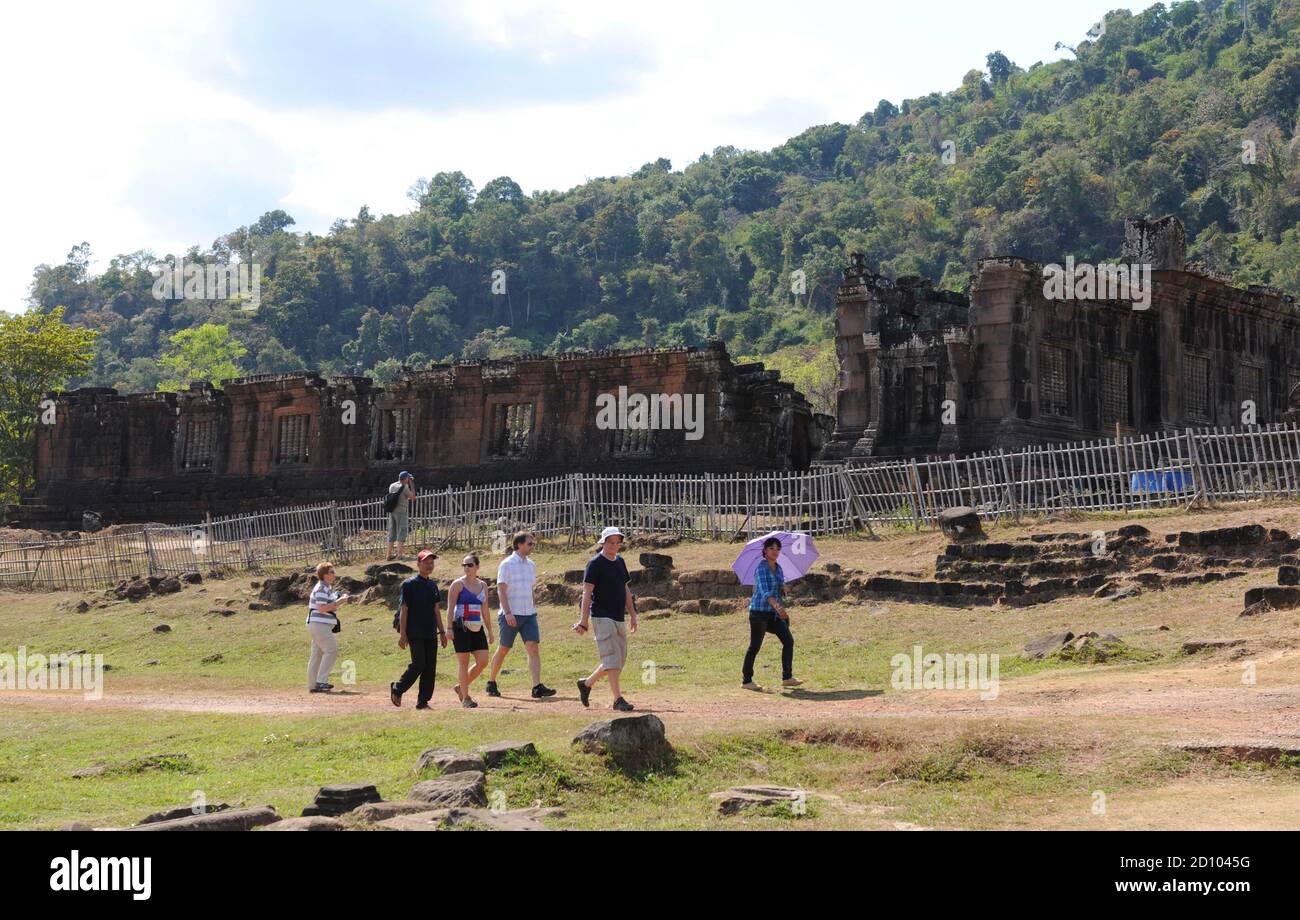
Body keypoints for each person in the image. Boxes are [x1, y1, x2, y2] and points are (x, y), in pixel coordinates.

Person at [572, 526, 637, 711]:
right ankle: (618, 699)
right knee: (612, 657)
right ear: (603, 543)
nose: (614, 546)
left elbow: (625, 589)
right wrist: (583, 621)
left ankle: (587, 683)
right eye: (611, 542)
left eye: (617, 542)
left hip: (618, 616)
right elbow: (587, 592)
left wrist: (632, 613)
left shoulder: (620, 561)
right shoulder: (595, 563)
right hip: (601, 615)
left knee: (619, 658)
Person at [485, 532, 556, 700]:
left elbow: (530, 589)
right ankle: (491, 681)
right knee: (504, 648)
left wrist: (533, 608)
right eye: (530, 544)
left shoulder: (531, 565)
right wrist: (508, 613)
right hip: (510, 614)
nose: (532, 546)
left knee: (533, 647)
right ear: (519, 545)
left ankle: (537, 686)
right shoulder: (506, 564)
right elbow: (501, 589)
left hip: (528, 614)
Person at [742, 536, 802, 691]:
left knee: (788, 641)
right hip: (759, 613)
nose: (775, 551)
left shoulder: (779, 567)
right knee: (755, 646)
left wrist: (787, 588)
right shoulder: (761, 568)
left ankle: (787, 678)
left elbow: (780, 587)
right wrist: (778, 607)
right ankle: (747, 681)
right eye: (772, 548)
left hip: (773, 613)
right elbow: (764, 592)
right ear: (765, 551)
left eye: (778, 548)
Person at [390, 549, 446, 710]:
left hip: (430, 632)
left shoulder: (433, 585)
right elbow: (404, 610)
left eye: (431, 562)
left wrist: (442, 632)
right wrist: (402, 634)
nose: (429, 565)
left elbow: (436, 610)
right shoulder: (409, 584)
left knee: (430, 667)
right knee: (419, 664)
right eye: (426, 562)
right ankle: (398, 688)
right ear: (418, 564)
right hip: (414, 632)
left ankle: (423, 702)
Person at [448, 553, 494, 709]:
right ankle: (466, 697)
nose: (466, 567)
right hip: (460, 627)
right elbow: (450, 609)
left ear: (477, 567)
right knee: (464, 662)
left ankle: (460, 687)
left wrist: (490, 630)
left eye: (470, 565)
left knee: (483, 661)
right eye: (464, 565)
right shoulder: (457, 584)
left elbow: (485, 610)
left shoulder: (483, 585)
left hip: (477, 626)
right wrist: (449, 628)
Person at [306, 562, 350, 693]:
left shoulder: (325, 588)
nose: (334, 574)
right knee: (332, 651)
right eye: (332, 572)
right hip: (319, 625)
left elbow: (324, 605)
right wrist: (340, 601)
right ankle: (321, 682)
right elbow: (321, 608)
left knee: (317, 654)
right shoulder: (321, 588)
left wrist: (336, 599)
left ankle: (313, 685)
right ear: (325, 575)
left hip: (317, 624)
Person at [386, 471, 416, 561]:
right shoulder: (405, 487)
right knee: (401, 532)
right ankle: (399, 555)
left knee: (392, 532)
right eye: (408, 478)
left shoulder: (392, 485)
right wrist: (412, 484)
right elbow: (413, 497)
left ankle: (388, 555)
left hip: (392, 511)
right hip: (402, 512)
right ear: (406, 478)